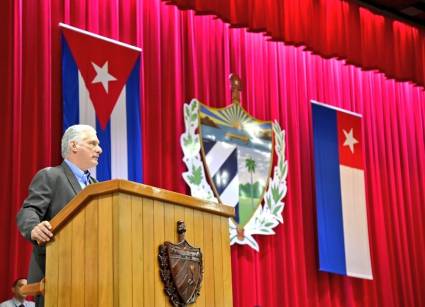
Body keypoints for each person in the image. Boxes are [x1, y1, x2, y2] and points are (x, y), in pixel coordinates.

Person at [16, 124, 102, 307]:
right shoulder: (51, 176)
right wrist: (33, 228)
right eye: (92, 144)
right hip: (56, 275)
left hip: (94, 278)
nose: (99, 149)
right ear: (74, 146)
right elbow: (29, 210)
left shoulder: (98, 186)